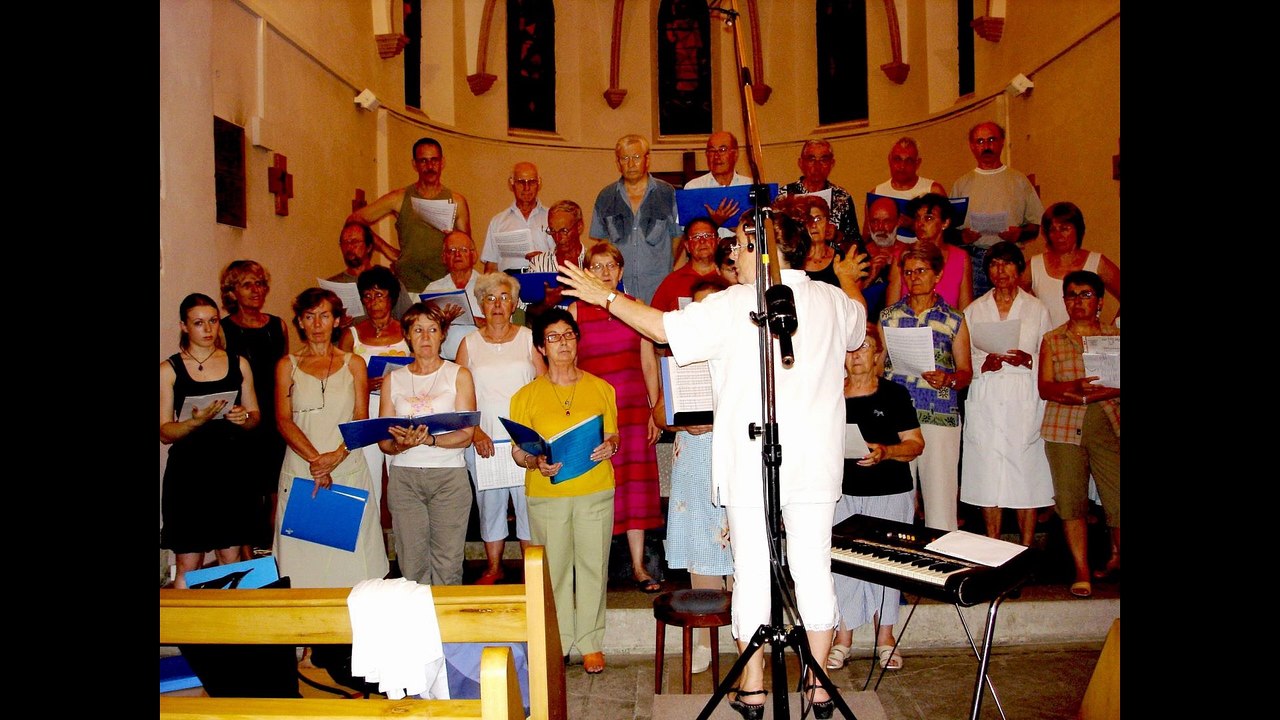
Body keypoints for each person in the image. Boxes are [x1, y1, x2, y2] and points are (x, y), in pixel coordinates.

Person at [557, 206, 867, 719]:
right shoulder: (831, 299)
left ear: (766, 250)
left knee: (752, 571)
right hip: (812, 463)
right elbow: (857, 329)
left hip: (751, 462)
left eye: (744, 245)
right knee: (813, 566)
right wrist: (848, 280)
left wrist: (605, 296)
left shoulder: (736, 303)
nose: (735, 254)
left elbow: (659, 328)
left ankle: (753, 684)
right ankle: (817, 683)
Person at [508, 307, 621, 675]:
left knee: (592, 566)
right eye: (553, 337)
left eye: (569, 335)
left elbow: (613, 435)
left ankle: (590, 642)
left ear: (578, 341)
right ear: (540, 346)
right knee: (553, 571)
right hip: (547, 493)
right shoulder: (525, 396)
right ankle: (556, 642)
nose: (563, 343)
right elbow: (518, 449)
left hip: (594, 488)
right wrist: (533, 461)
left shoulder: (601, 388)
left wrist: (611, 446)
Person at [273, 288, 388, 588]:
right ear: (299, 322)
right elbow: (284, 420)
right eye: (309, 317)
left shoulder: (354, 364)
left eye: (325, 315)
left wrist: (335, 458)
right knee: (303, 558)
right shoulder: (287, 365)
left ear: (337, 321)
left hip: (346, 466)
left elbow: (360, 418)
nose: (317, 324)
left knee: (352, 559)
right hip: (302, 468)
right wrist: (316, 461)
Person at [569, 242, 665, 593]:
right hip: (594, 417)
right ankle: (595, 570)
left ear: (621, 272)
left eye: (612, 266)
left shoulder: (635, 309)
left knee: (634, 490)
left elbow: (648, 363)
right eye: (597, 267)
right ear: (586, 272)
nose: (605, 272)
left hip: (633, 411)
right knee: (597, 489)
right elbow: (570, 366)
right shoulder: (575, 313)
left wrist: (655, 409)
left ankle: (639, 567)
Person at [826, 328, 923, 673]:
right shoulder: (829, 393)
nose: (856, 355)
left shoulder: (894, 394)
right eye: (849, 348)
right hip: (840, 492)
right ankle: (843, 639)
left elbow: (915, 443)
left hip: (888, 489)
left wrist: (886, 452)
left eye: (863, 347)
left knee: (887, 563)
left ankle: (885, 639)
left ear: (878, 354)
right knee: (842, 565)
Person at [651, 277, 734, 675]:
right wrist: (683, 424)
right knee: (703, 546)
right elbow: (660, 414)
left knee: (739, 546)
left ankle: (745, 634)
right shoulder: (681, 358)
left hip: (733, 457)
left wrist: (717, 420)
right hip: (695, 459)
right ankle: (704, 639)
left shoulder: (741, 353)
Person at [160, 293, 261, 588]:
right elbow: (165, 432)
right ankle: (182, 632)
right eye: (199, 323)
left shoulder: (237, 363)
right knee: (188, 563)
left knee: (231, 558)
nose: (208, 329)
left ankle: (229, 630)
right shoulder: (169, 370)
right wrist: (194, 421)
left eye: (213, 321)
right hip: (189, 474)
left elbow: (255, 415)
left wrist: (244, 418)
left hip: (231, 470)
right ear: (184, 326)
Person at [455, 272, 547, 584]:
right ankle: (494, 566)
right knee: (489, 504)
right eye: (490, 298)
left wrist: (536, 433)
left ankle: (530, 569)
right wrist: (475, 430)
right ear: (481, 305)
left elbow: (544, 386)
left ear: (515, 304)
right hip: (484, 439)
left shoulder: (527, 338)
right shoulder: (468, 344)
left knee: (527, 504)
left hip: (523, 440)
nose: (497, 304)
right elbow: (460, 394)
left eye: (504, 298)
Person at [377, 303, 478, 586]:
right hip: (405, 477)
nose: (425, 337)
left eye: (432, 330)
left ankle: (448, 628)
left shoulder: (459, 374)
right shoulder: (393, 379)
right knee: (411, 563)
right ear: (407, 335)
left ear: (443, 335)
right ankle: (418, 627)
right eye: (418, 330)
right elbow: (383, 440)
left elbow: (466, 434)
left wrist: (430, 439)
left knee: (448, 562)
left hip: (448, 477)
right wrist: (401, 445)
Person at [960, 242, 1054, 545]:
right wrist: (983, 363)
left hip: (1022, 394)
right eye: (994, 265)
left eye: (1007, 264)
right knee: (988, 473)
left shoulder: (1036, 309)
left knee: (1026, 474)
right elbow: (964, 356)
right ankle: (994, 545)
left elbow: (1047, 353)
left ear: (1019, 269)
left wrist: (1029, 360)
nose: (1001, 271)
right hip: (987, 392)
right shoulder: (974, 310)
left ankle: (1025, 547)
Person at [1037, 270, 1120, 599]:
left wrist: (1084, 396)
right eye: (1071, 295)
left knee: (1117, 498)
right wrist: (1072, 389)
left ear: (1100, 301)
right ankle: (1082, 570)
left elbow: (1116, 384)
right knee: (1071, 502)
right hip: (1062, 428)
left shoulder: (1113, 338)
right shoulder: (1053, 339)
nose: (1077, 302)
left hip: (1108, 425)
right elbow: (1046, 388)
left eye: (1085, 295)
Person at [881, 243, 973, 532]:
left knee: (941, 496)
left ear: (938, 275)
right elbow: (878, 362)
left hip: (940, 407)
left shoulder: (954, 318)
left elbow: (966, 371)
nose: (914, 277)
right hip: (899, 413)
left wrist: (949, 379)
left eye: (921, 271)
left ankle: (944, 566)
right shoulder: (889, 316)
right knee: (897, 495)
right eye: (908, 272)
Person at [219, 260, 290, 555]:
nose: (256, 290)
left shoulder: (278, 325)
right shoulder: (223, 330)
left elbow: (284, 373)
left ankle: (274, 554)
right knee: (245, 493)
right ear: (232, 291)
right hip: (243, 419)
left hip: (274, 416)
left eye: (260, 283)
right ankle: (249, 561)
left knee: (277, 489)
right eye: (247, 284)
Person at [347, 137, 473, 294]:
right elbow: (355, 219)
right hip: (409, 285)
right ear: (415, 164)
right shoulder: (399, 198)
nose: (430, 166)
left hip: (445, 284)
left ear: (442, 162)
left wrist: (452, 237)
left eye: (434, 160)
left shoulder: (456, 201)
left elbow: (468, 249)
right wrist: (387, 250)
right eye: (423, 161)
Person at [338, 266, 412, 511]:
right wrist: (362, 384)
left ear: (391, 297)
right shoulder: (352, 335)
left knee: (401, 479)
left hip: (399, 411)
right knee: (367, 480)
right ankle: (371, 544)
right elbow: (337, 378)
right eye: (367, 296)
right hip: (365, 410)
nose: (373, 302)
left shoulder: (407, 331)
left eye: (379, 295)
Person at [950, 121, 1044, 298]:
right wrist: (963, 237)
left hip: (1010, 257)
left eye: (991, 140)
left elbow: (1035, 226)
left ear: (1002, 142)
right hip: (975, 259)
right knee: (975, 313)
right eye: (980, 141)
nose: (986, 146)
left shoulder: (1019, 180)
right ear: (972, 146)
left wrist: (1019, 234)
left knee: (1011, 308)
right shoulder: (961, 184)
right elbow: (949, 231)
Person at [588, 133, 683, 305]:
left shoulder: (667, 193)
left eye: (636, 157)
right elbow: (602, 243)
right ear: (618, 163)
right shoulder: (606, 197)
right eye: (625, 158)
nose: (631, 164)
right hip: (620, 289)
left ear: (647, 160)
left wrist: (663, 265)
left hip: (659, 287)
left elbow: (677, 237)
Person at [1025, 201, 1121, 328]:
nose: (1058, 236)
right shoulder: (1035, 265)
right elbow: (1011, 299)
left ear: (1078, 229)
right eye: (1053, 230)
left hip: (1088, 343)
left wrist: (1112, 330)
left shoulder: (1096, 262)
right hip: (1047, 344)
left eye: (1064, 229)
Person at [885, 193, 973, 311]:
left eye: (928, 218)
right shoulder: (902, 256)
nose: (920, 224)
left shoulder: (960, 257)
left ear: (945, 223)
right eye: (917, 218)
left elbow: (966, 309)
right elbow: (891, 309)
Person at [777, 138, 863, 253]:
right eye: (811, 159)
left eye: (823, 160)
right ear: (801, 163)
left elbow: (856, 243)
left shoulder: (842, 198)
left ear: (832, 164)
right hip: (796, 264)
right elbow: (775, 238)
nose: (817, 166)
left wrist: (837, 236)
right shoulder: (784, 196)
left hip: (834, 265)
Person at [866, 137, 946, 242]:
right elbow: (866, 236)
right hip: (886, 256)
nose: (902, 166)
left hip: (924, 255)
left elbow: (945, 234)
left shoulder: (933, 190)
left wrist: (912, 225)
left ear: (917, 163)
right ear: (890, 160)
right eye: (897, 159)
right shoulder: (876, 193)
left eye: (908, 161)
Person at [480, 162, 554, 274]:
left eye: (532, 182)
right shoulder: (498, 221)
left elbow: (565, 256)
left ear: (539, 183)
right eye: (521, 182)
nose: (526, 188)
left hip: (544, 280)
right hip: (509, 283)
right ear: (511, 184)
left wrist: (544, 259)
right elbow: (491, 267)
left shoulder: (553, 217)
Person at [421, 231, 485, 361]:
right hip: (442, 361)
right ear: (444, 257)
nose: (457, 254)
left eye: (463, 250)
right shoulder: (433, 289)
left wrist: (476, 321)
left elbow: (505, 325)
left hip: (482, 360)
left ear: (474, 255)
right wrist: (442, 322)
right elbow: (418, 327)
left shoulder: (489, 286)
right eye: (452, 250)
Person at [682, 130, 751, 241]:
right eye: (711, 151)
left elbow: (761, 230)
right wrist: (714, 223)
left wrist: (739, 227)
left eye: (722, 150)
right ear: (706, 155)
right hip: (707, 256)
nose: (716, 156)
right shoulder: (693, 188)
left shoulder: (750, 186)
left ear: (735, 154)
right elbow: (687, 232)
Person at [650, 217, 723, 313]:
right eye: (695, 237)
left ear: (718, 241)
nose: (702, 241)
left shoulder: (729, 278)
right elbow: (656, 318)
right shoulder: (672, 282)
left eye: (707, 235)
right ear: (687, 246)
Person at [328, 221, 380, 325]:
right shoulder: (331, 286)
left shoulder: (387, 280)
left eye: (355, 242)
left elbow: (406, 319)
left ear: (369, 247)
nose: (349, 247)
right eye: (345, 242)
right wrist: (337, 325)